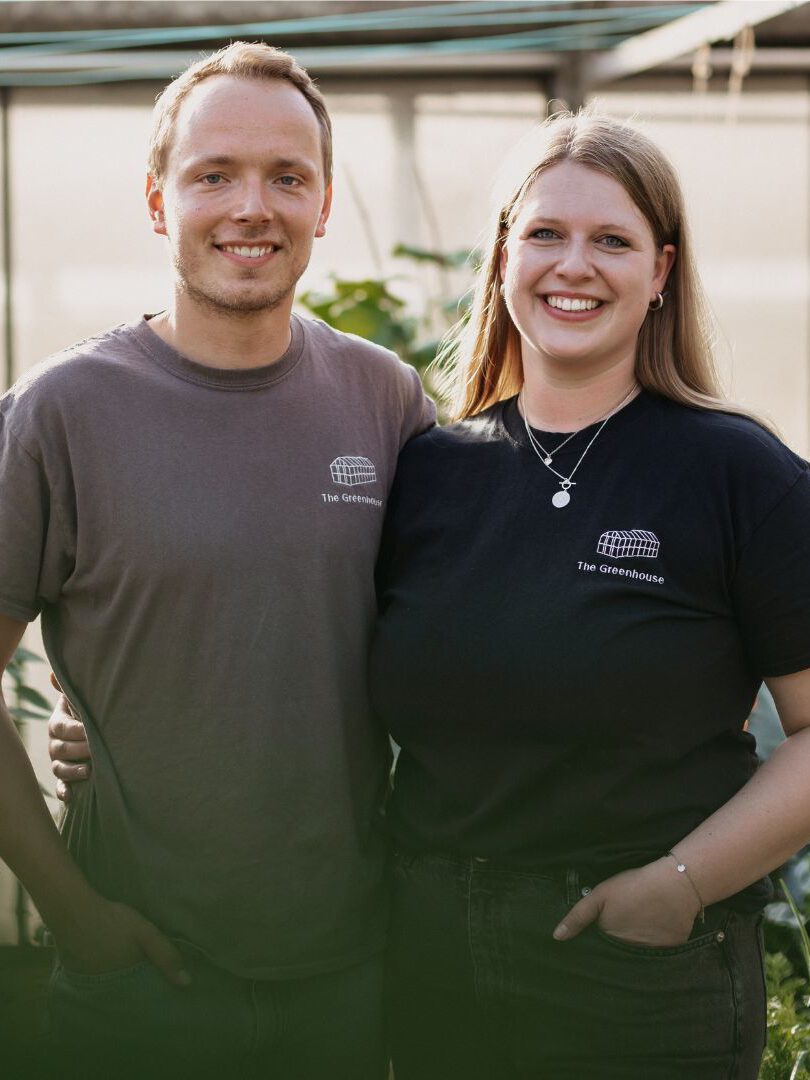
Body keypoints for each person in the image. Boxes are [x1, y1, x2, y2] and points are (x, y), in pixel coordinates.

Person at [0, 41, 432, 1080]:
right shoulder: (60, 413)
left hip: (347, 975)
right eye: (213, 176)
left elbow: (447, 637)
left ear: (324, 204)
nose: (253, 207)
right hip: (137, 982)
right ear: (159, 201)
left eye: (287, 177)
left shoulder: (385, 400)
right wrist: (73, 910)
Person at [368, 113, 810, 1079]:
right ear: (502, 258)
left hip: (638, 971)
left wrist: (679, 886)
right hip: (431, 959)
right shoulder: (429, 472)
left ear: (660, 273)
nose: (575, 265)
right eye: (545, 234)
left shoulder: (738, 474)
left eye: (612, 240)